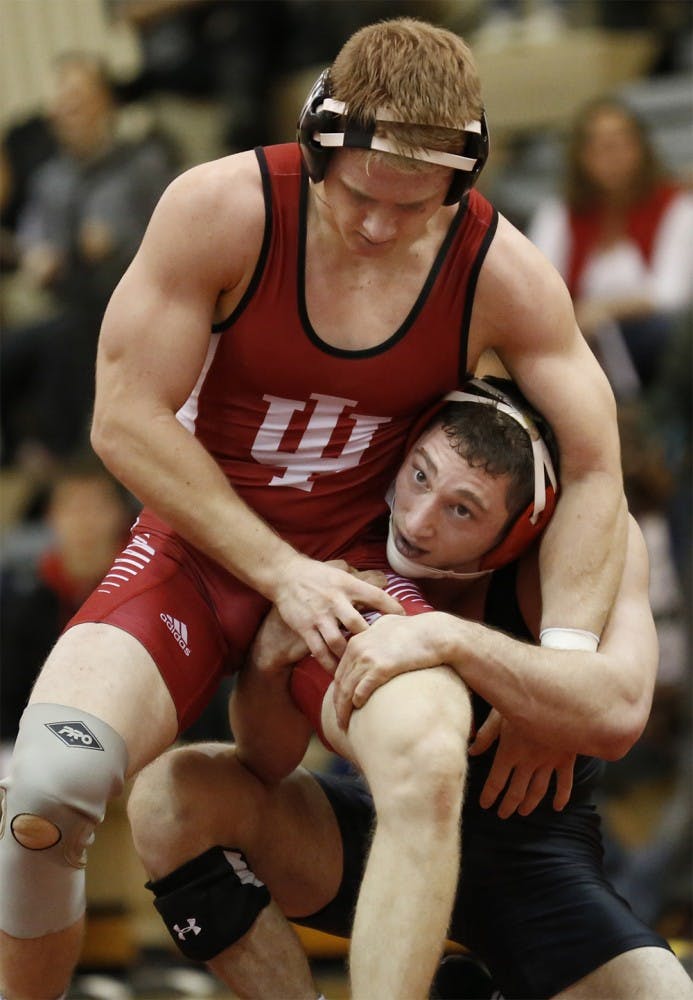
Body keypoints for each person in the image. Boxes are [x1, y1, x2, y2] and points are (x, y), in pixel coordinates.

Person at [0, 19, 628, 999]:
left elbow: (595, 465)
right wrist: (275, 569)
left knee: (426, 763)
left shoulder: (496, 268)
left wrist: (566, 666)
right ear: (318, 143)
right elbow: (122, 420)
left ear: (459, 182)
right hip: (201, 551)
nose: (379, 225)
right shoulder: (223, 208)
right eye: (360, 194)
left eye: (411, 206)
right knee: (45, 790)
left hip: (353, 568)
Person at [127, 379, 692, 999]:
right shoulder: (347, 525)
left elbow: (618, 710)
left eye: (462, 509)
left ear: (516, 532)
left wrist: (454, 640)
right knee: (169, 798)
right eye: (419, 476)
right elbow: (266, 759)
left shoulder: (574, 548)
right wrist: (267, 665)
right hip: (374, 833)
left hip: (532, 864)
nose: (418, 522)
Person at [0, 51, 175, 468]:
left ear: (106, 104)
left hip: (133, 300)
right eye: (62, 105)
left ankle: (65, 455)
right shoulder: (48, 177)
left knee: (69, 337)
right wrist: (37, 254)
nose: (67, 113)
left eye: (78, 101)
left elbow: (171, 233)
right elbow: (32, 236)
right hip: (67, 303)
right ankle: (18, 455)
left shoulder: (144, 164)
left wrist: (115, 242)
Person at [527, 96, 693, 398]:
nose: (612, 156)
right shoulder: (559, 215)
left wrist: (602, 311)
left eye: (621, 143)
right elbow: (540, 291)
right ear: (580, 156)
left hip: (650, 337)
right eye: (598, 147)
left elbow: (671, 293)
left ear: (642, 147)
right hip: (577, 337)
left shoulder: (676, 207)